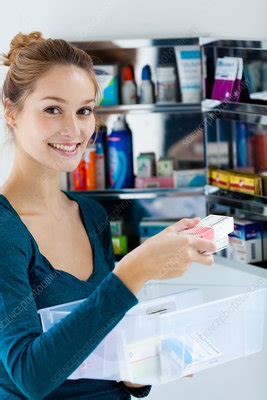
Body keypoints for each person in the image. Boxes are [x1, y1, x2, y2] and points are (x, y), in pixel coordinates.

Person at [0, 31, 216, 400]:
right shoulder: (6, 230)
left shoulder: (91, 215)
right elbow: (31, 375)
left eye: (84, 110)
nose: (74, 129)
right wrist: (136, 270)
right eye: (53, 109)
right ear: (11, 111)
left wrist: (142, 367)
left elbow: (105, 338)